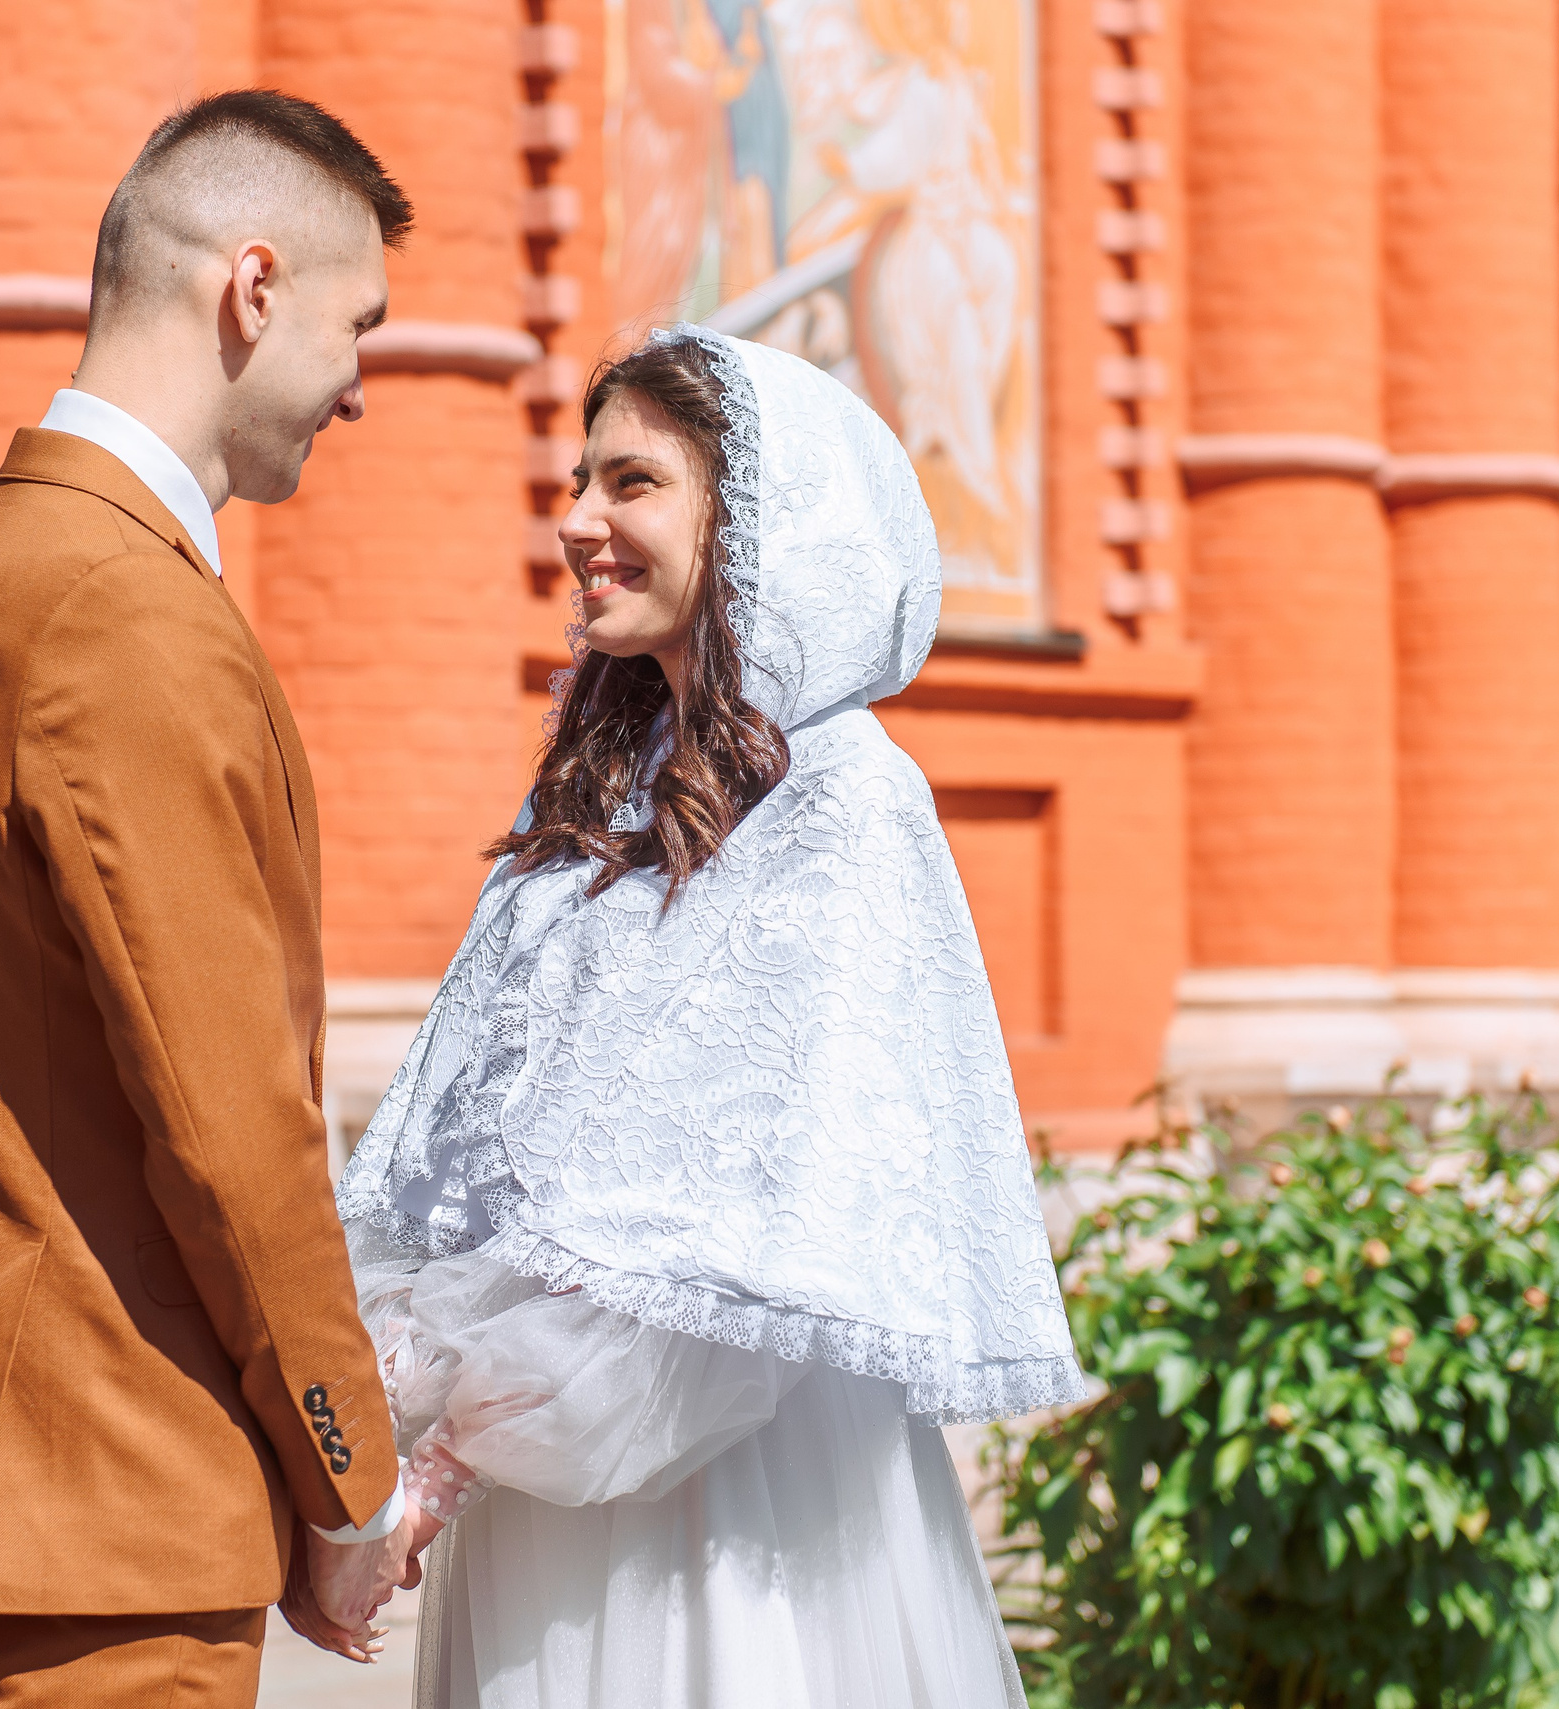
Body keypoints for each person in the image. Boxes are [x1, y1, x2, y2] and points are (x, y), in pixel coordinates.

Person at [336, 325, 1087, 1709]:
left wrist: (444, 1465)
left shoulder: (847, 801)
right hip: (542, 1486)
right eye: (579, 481)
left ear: (749, 522)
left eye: (633, 483)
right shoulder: (595, 793)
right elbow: (486, 1163)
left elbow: (747, 1240)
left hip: (737, 1504)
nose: (580, 523)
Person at [0, 91, 416, 1707]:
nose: (360, 387)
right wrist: (350, 1473)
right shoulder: (118, 611)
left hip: (16, 1493)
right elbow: (229, 1118)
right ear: (251, 290)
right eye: (352, 326)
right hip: (108, 1501)